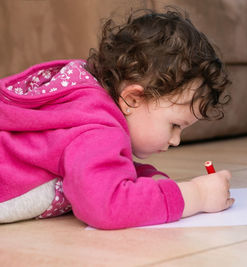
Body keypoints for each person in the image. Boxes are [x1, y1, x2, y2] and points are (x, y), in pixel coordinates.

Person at [0, 8, 234, 229]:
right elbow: (105, 204)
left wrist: (150, 180)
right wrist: (195, 195)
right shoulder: (98, 130)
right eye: (174, 125)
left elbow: (101, 167)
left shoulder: (88, 103)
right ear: (132, 99)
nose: (176, 140)